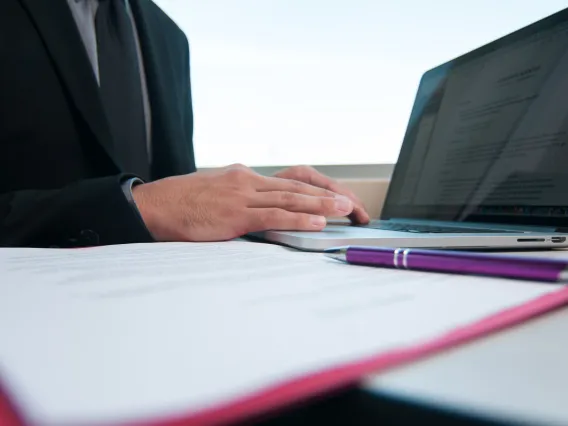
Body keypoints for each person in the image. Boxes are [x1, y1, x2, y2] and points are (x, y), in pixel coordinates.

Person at [0, 0, 370, 248]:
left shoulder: (170, 39)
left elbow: (177, 197)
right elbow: (158, 204)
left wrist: (261, 201)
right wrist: (137, 206)